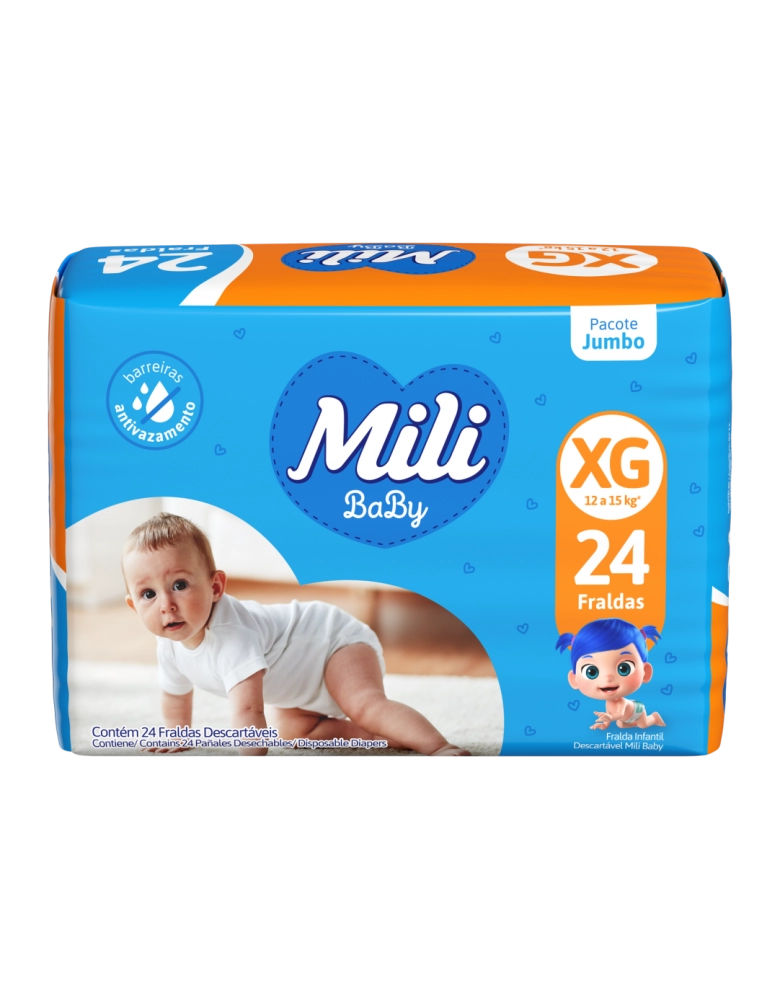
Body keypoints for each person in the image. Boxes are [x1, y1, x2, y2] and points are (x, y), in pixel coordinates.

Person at [123, 513, 470, 756]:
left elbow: (248, 713)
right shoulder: (168, 644)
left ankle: (438, 746)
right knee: (293, 731)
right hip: (299, 680)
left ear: (216, 587)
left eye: (179, 585)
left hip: (332, 643)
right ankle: (382, 736)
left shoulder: (231, 634)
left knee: (364, 705)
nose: (166, 605)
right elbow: (175, 696)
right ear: (133, 606)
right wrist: (177, 735)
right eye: (148, 594)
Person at [557, 618, 666, 731]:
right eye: (591, 672)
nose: (608, 678)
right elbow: (609, 713)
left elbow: (619, 714)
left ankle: (654, 717)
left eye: (624, 668)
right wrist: (604, 724)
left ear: (645, 672)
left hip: (637, 710)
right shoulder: (608, 703)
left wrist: (610, 717)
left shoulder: (622, 702)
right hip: (626, 718)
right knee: (620, 725)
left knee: (643, 725)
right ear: (574, 679)